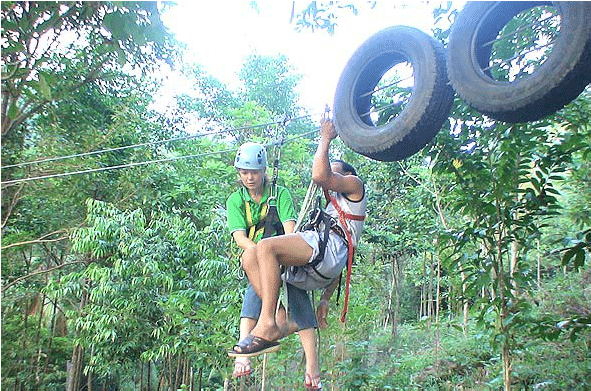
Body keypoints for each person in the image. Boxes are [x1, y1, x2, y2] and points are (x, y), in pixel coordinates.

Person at [229, 119, 367, 389]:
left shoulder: (354, 187)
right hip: (320, 262)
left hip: (325, 254)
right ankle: (279, 319)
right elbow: (337, 268)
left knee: (267, 247)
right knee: (249, 258)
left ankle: (269, 323)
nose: (331, 181)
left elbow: (320, 175)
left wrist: (325, 139)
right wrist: (325, 300)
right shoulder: (329, 210)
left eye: (336, 175)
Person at [226, 141, 323, 389]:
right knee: (249, 266)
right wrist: (261, 255)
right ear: (238, 173)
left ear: (264, 171)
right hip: (259, 256)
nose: (250, 177)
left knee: (297, 292)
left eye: (255, 172)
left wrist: (278, 255)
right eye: (245, 172)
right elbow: (240, 238)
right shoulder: (236, 200)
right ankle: (248, 349)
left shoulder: (279, 194)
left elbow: (291, 228)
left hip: (285, 253)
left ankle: (312, 365)